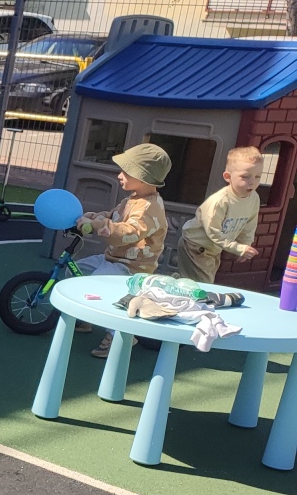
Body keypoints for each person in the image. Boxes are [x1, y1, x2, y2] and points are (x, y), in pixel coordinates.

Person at [76, 142, 172, 358]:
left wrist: (100, 225)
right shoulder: (133, 198)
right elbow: (114, 215)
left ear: (143, 177)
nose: (120, 175)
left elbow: (129, 232)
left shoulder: (150, 208)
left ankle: (120, 334)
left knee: (97, 289)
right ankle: (86, 318)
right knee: (76, 271)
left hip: (130, 266)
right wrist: (96, 217)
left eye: (126, 172)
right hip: (113, 258)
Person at [176, 145, 262, 284]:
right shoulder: (220, 201)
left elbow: (249, 224)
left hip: (214, 249)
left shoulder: (254, 198)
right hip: (195, 247)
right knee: (202, 285)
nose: (252, 182)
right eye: (245, 177)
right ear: (228, 177)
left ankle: (177, 280)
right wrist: (238, 248)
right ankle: (177, 282)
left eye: (257, 176)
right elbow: (213, 232)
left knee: (200, 281)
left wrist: (245, 243)